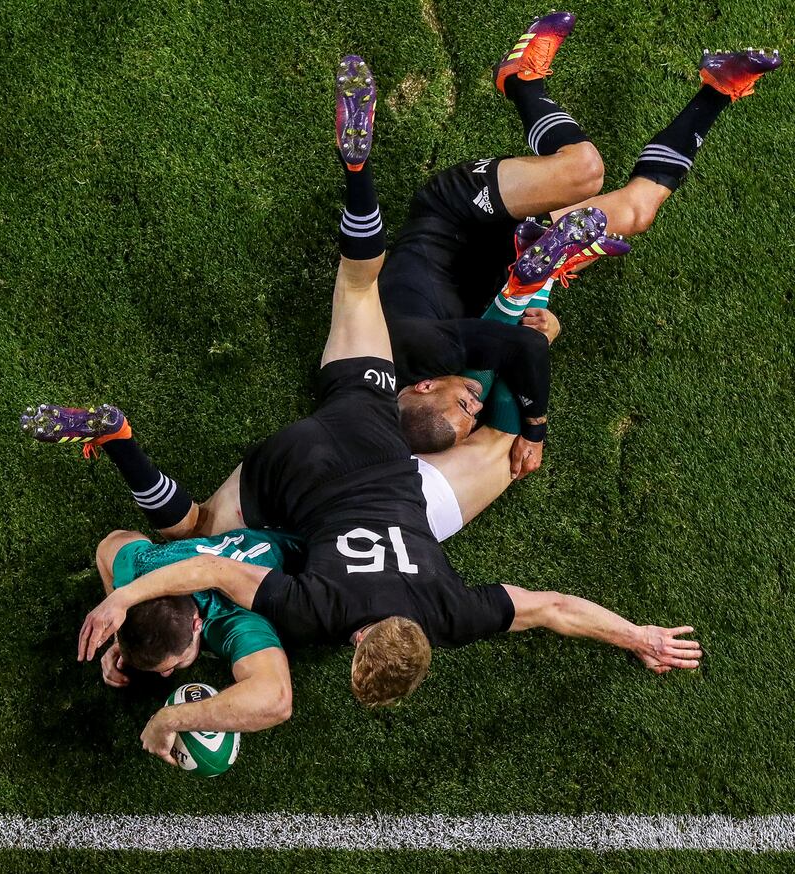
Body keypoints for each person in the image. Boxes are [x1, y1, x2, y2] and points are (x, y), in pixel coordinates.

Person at [69, 56, 701, 749]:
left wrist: (638, 632)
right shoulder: (320, 613)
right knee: (198, 520)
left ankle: (400, 202)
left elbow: (550, 607)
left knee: (480, 422)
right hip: (303, 460)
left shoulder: (448, 610)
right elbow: (213, 570)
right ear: (361, 643)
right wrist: (127, 604)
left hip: (376, 443)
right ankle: (368, 183)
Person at [378, 12, 781, 474]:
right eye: (473, 415)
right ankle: (718, 88)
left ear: (424, 387)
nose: (474, 402)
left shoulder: (415, 350)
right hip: (509, 257)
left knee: (584, 170)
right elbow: (516, 351)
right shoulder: (443, 396)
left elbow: (521, 353)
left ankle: (521, 81)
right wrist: (541, 329)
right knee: (637, 211)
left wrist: (536, 427)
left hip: (455, 213)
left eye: (465, 406)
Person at [91, 525, 301, 764]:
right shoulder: (144, 568)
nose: (167, 673)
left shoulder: (232, 618)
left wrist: (168, 720)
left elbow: (276, 700)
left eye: (175, 663)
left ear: (197, 625)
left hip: (306, 553)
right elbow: (109, 544)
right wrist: (117, 636)